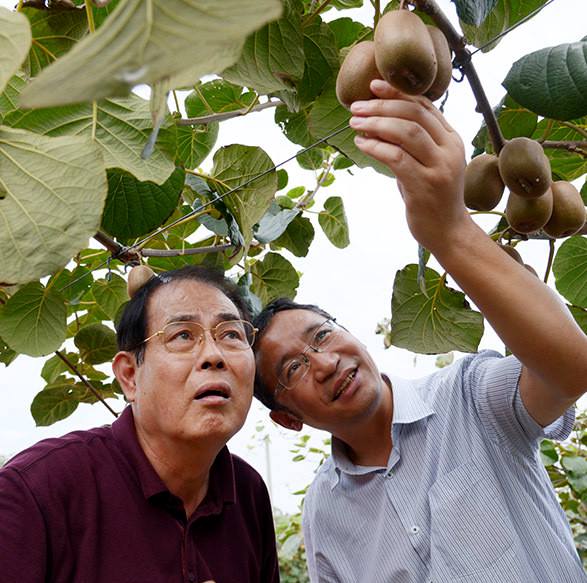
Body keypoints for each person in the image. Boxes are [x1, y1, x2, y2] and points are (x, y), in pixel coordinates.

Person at [252, 79, 587, 582]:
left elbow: (571, 368)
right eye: (294, 368)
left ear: (350, 333)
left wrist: (450, 232)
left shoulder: (468, 397)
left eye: (321, 336)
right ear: (286, 419)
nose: (324, 363)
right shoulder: (324, 514)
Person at [0, 265, 280, 583]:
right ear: (130, 376)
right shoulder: (36, 488)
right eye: (183, 335)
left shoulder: (248, 493)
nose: (213, 356)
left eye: (231, 335)